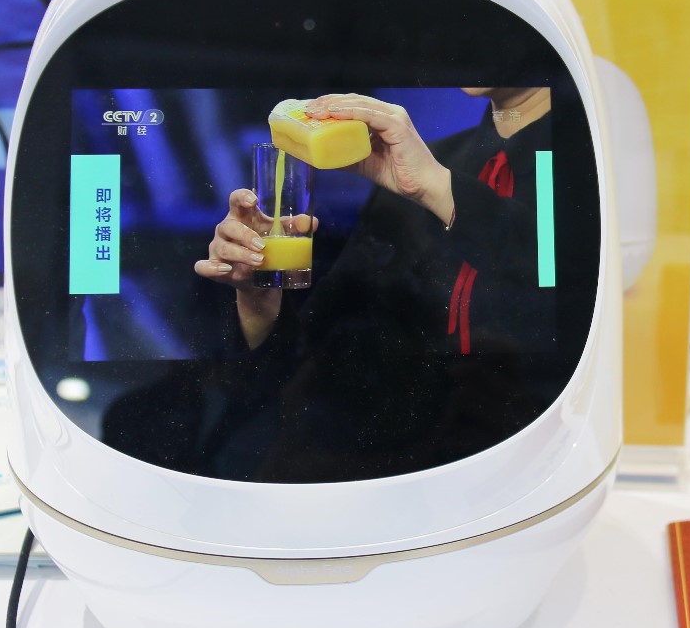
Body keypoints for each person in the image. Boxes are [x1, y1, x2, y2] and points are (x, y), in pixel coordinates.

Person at [175, 87, 557, 481]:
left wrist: (436, 189)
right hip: (381, 475)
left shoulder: (567, 158)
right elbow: (320, 350)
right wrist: (257, 293)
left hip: (524, 462)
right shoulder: (427, 161)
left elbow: (561, 277)